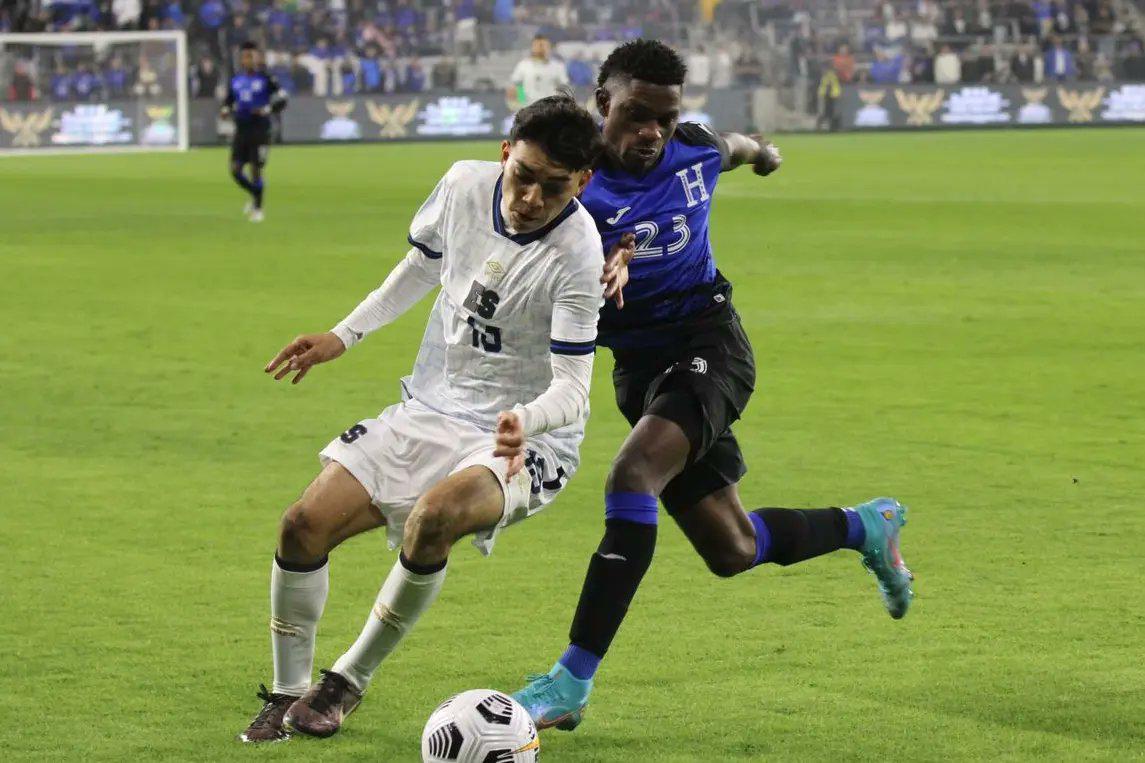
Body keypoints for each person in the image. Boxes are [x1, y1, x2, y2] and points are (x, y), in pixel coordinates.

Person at [509, 39, 914, 731]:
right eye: (636, 115)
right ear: (603, 103)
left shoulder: (691, 150)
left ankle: (570, 681)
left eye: (664, 119)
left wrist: (763, 152)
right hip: (640, 371)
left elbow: (732, 146)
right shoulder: (571, 179)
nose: (652, 133)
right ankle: (865, 525)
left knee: (632, 475)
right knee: (731, 548)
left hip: (709, 344)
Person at [236, 95, 630, 743]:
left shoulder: (578, 255)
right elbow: (420, 268)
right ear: (504, 154)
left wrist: (522, 420)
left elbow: (572, 391)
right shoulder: (462, 185)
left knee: (434, 517)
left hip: (525, 440)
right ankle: (285, 692)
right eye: (523, 176)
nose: (531, 198)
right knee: (302, 524)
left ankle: (346, 680)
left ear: (582, 182)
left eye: (554, 186)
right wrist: (343, 335)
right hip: (430, 407)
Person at [220, 41, 288, 223]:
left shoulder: (267, 79)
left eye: (251, 56)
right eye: (245, 57)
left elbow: (283, 99)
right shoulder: (236, 80)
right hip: (241, 129)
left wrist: (267, 109)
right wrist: (225, 110)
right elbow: (228, 101)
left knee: (256, 169)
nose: (248, 60)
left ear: (257, 58)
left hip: (260, 129)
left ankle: (258, 209)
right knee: (235, 170)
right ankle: (255, 194)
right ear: (241, 60)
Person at [508, 34, 569, 107]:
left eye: (544, 45)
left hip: (550, 108)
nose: (541, 48)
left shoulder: (558, 66)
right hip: (529, 106)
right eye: (538, 45)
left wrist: (558, 104)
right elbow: (518, 85)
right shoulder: (523, 65)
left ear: (549, 47)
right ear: (532, 47)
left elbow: (564, 87)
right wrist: (522, 101)